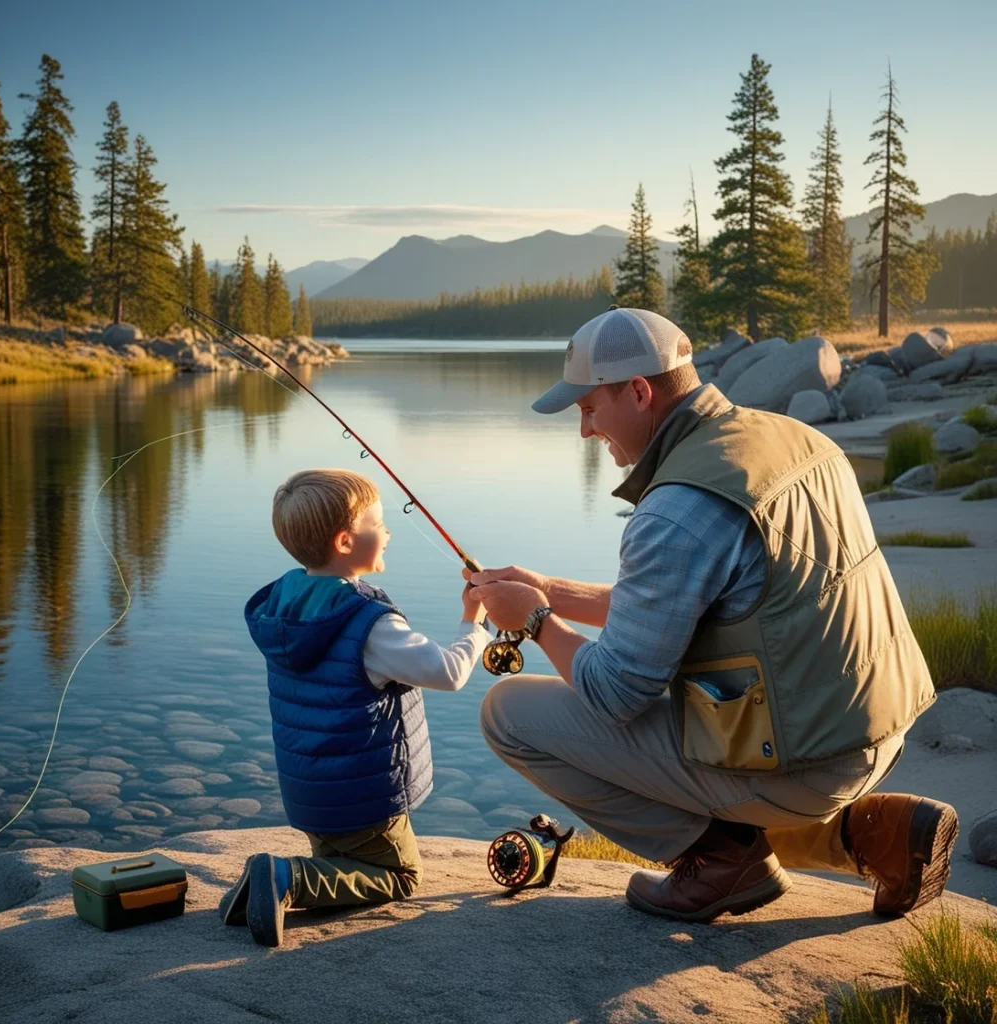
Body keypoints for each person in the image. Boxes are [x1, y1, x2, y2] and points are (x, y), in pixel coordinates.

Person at [466, 306, 958, 924]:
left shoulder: (676, 510)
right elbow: (679, 610)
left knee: (507, 714)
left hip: (805, 762)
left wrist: (537, 621)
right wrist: (550, 590)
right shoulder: (796, 439)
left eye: (589, 409)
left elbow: (615, 694)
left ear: (639, 391)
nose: (586, 431)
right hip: (873, 730)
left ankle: (723, 863)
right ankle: (867, 833)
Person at [221, 468, 490, 946]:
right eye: (378, 524)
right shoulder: (369, 625)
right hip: (364, 799)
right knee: (400, 876)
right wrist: (474, 622)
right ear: (345, 542)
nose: (386, 533)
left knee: (342, 865)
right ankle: (288, 879)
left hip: (312, 793)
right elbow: (448, 672)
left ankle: (269, 884)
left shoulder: (286, 603)